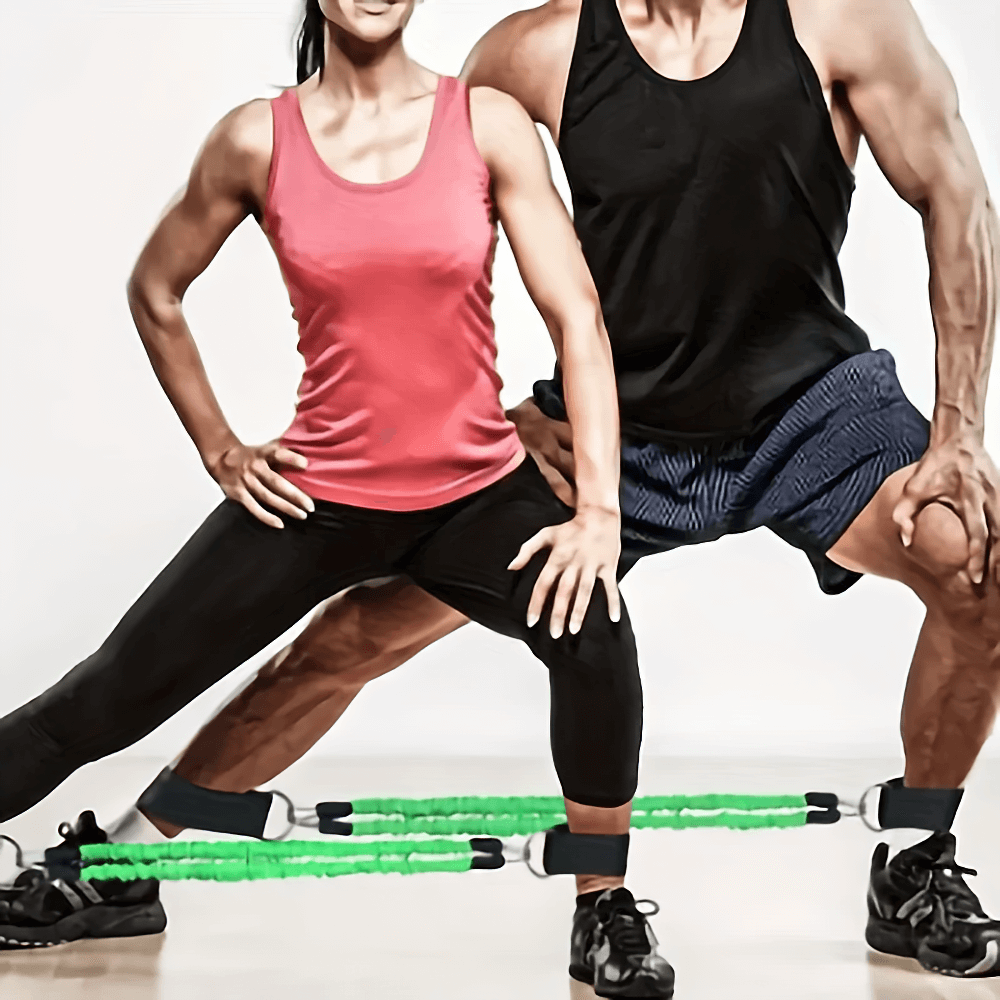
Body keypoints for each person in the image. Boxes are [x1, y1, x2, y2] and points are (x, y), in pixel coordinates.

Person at [6, 0, 1000, 986]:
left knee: (978, 560)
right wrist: (491, 412)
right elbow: (432, 224)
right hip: (614, 430)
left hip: (810, 410)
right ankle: (130, 852)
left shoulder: (844, 23)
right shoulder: (533, 53)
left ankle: (914, 862)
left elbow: (958, 196)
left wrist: (957, 430)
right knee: (351, 639)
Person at [0, 1, 677, 995]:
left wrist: (598, 515)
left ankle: (602, 907)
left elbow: (577, 316)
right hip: (318, 494)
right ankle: (123, 873)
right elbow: (156, 289)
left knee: (596, 630)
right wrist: (220, 447)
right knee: (108, 695)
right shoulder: (254, 138)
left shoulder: (485, 124)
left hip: (474, 492)